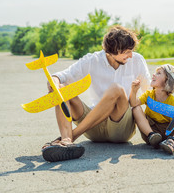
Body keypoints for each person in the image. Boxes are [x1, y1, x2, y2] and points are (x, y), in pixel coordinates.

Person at [42, 25, 151, 162]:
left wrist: (156, 125)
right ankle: (66, 142)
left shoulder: (137, 60)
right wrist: (54, 84)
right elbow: (61, 76)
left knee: (116, 89)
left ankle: (70, 138)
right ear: (114, 50)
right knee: (63, 89)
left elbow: (150, 93)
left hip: (121, 127)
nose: (130, 55)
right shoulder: (92, 60)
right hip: (93, 128)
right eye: (127, 51)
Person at [129, 64, 174, 154]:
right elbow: (133, 103)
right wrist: (133, 91)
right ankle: (152, 136)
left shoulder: (171, 101)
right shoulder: (149, 94)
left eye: (158, 73)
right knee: (135, 108)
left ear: (167, 81)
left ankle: (172, 141)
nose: (154, 74)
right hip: (150, 129)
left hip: (167, 132)